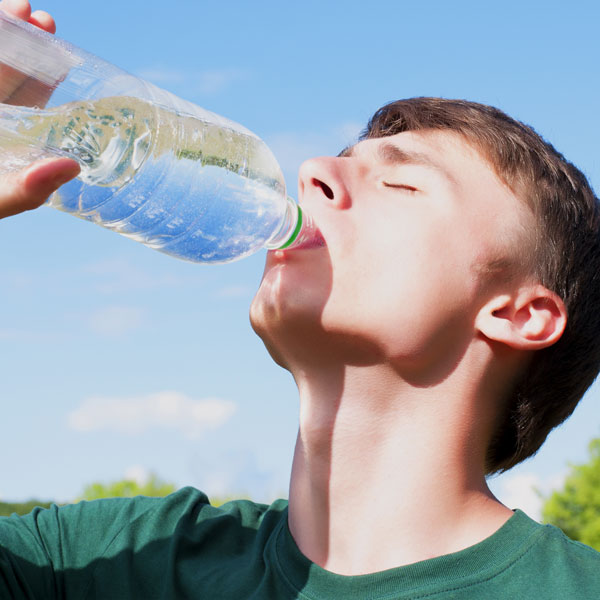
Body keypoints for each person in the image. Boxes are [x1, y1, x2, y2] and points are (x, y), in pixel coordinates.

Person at [0, 1, 599, 598]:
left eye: (401, 182)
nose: (312, 171)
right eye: (338, 161)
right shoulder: (109, 562)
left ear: (519, 314)